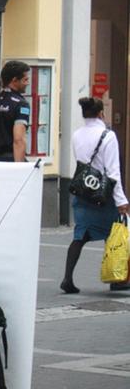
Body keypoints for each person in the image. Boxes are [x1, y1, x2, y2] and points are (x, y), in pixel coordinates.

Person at [60, 97, 130, 294]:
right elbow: (112, 171)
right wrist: (122, 200)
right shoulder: (108, 136)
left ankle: (67, 278)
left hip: (83, 191)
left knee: (80, 235)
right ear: (101, 113)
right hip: (103, 194)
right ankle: (116, 278)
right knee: (114, 233)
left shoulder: (77, 134)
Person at [0, 60, 30, 162]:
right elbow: (19, 140)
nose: (27, 83)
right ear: (15, 80)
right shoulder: (21, 104)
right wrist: (19, 168)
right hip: (10, 158)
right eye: (25, 80)